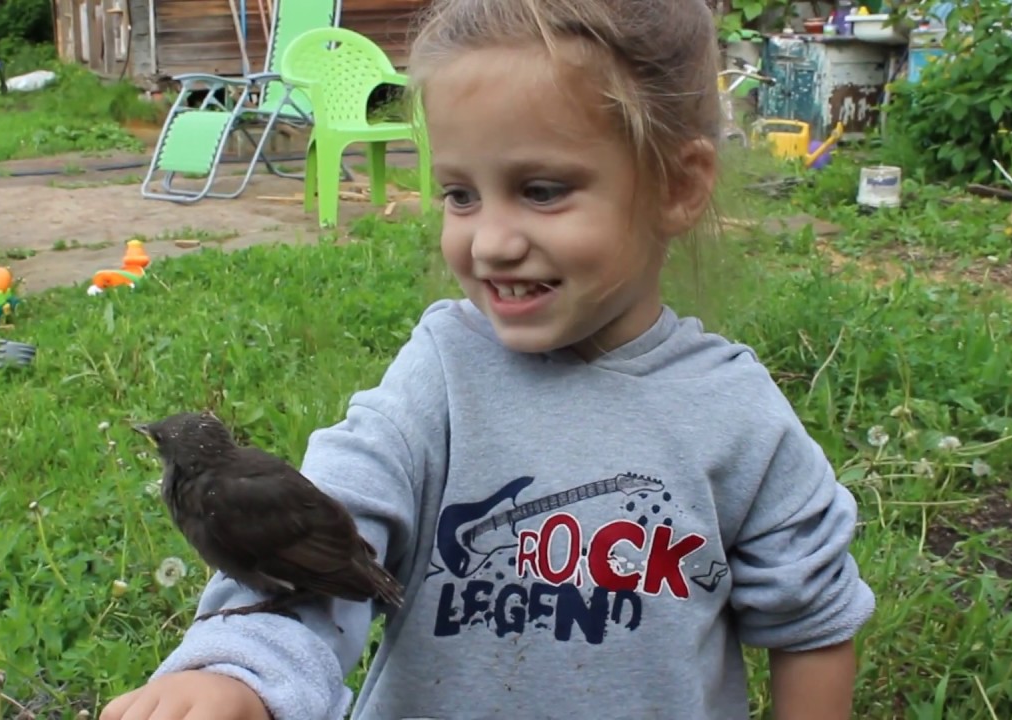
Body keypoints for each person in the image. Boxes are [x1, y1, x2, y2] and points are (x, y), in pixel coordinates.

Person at [100, 0, 876, 717]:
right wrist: (235, 671)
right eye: (460, 195)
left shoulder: (736, 414)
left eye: (540, 190)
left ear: (677, 187)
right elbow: (320, 526)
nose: (492, 243)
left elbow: (813, 624)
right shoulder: (442, 373)